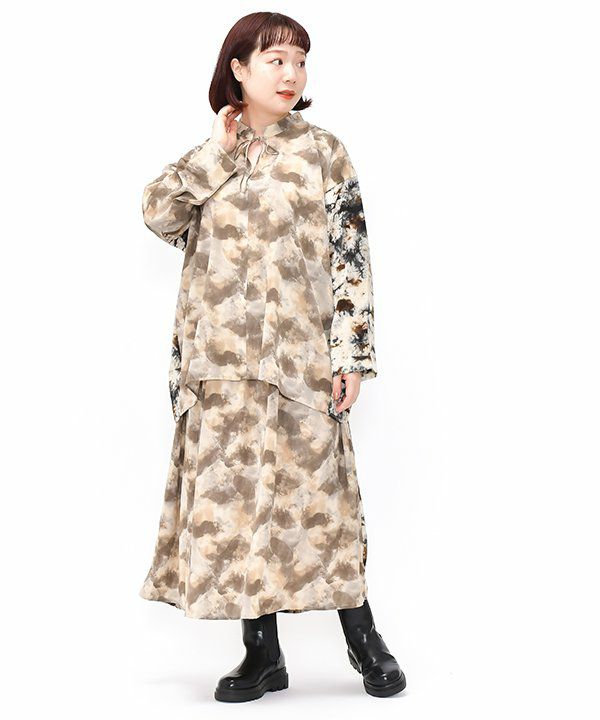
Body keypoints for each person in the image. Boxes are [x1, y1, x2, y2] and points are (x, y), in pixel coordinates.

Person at [138, 11, 406, 702]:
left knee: (324, 502)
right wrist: (217, 151)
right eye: (275, 60)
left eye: (299, 60)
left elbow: (350, 260)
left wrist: (350, 355)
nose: (291, 74)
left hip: (300, 365)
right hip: (220, 367)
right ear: (238, 69)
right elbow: (158, 215)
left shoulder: (324, 152)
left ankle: (364, 639)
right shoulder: (210, 157)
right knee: (238, 509)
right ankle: (262, 654)